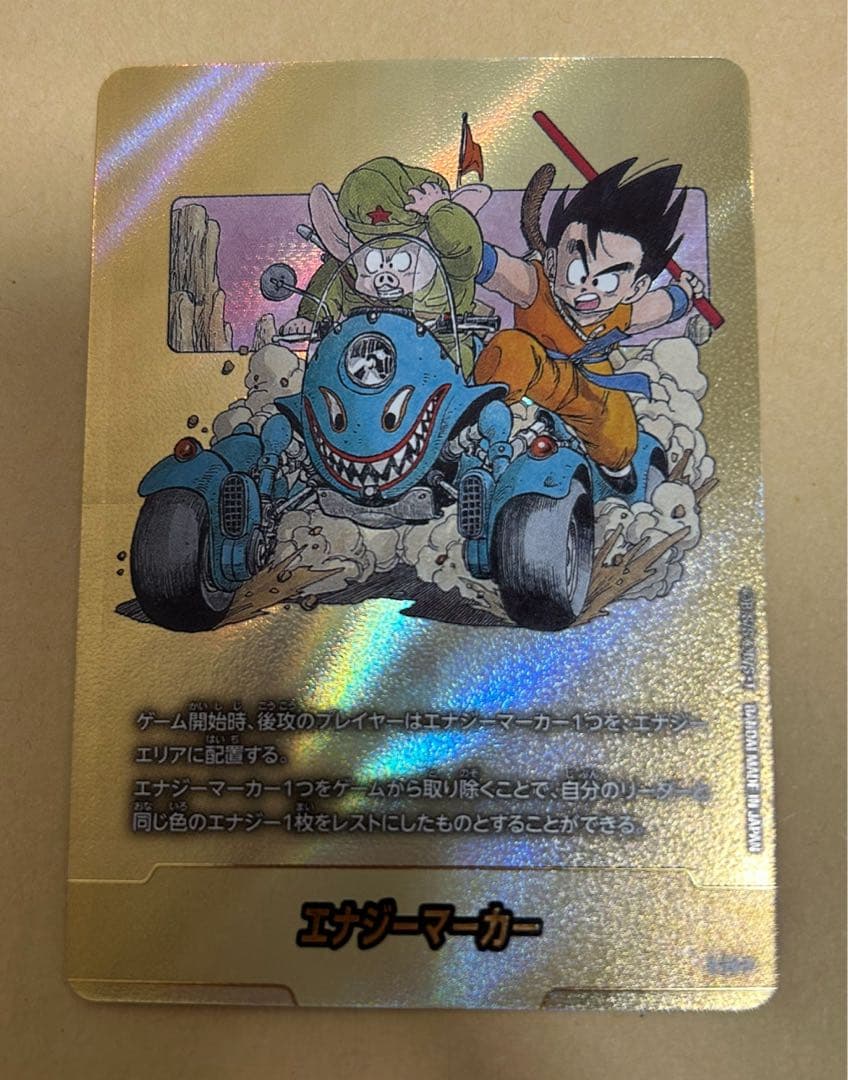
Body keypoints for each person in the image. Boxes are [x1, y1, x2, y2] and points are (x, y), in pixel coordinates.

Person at [474, 158, 704, 489]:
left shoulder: (623, 311)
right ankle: (487, 427)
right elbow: (500, 270)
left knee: (619, 438)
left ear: (635, 288)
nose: (588, 289)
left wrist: (683, 294)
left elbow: (659, 307)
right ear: (552, 261)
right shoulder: (536, 285)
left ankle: (611, 469)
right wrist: (466, 249)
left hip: (589, 383)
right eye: (577, 271)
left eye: (608, 281)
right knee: (512, 349)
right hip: (534, 372)